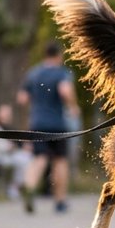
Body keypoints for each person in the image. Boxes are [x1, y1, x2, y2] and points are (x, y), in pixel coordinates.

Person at [17, 40, 80, 214]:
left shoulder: (34, 73)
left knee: (40, 158)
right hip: (57, 124)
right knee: (60, 161)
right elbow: (65, 91)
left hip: (37, 123)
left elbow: (22, 98)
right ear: (59, 56)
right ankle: (60, 201)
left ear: (45, 54)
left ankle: (29, 186)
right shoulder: (61, 73)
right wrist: (73, 107)